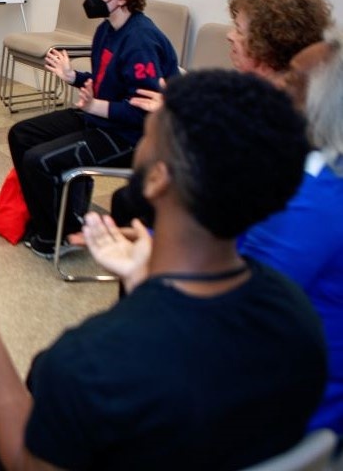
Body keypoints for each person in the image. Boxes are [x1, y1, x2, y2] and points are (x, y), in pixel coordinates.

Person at [0, 70, 327, 471]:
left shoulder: (92, 360)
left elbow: (25, 461)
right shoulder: (297, 317)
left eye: (148, 133)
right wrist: (141, 281)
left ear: (161, 177)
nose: (140, 142)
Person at [96, 34, 343, 435]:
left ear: (323, 105)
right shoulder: (310, 172)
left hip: (265, 402)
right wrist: (153, 241)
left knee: (62, 378)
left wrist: (145, 272)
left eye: (293, 79)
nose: (281, 83)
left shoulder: (315, 202)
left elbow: (230, 313)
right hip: (256, 368)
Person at [114, 0, 333, 227]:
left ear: (270, 42)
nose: (229, 36)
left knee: (133, 201)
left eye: (239, 30)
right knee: (128, 199)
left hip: (227, 220)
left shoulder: (283, 112)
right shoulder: (250, 91)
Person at [6, 0, 179, 257]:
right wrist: (74, 76)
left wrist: (93, 106)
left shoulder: (140, 41)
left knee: (39, 160)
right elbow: (104, 83)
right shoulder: (106, 30)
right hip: (100, 118)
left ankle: (58, 236)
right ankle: (55, 221)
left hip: (131, 137)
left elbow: (142, 111)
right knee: (21, 134)